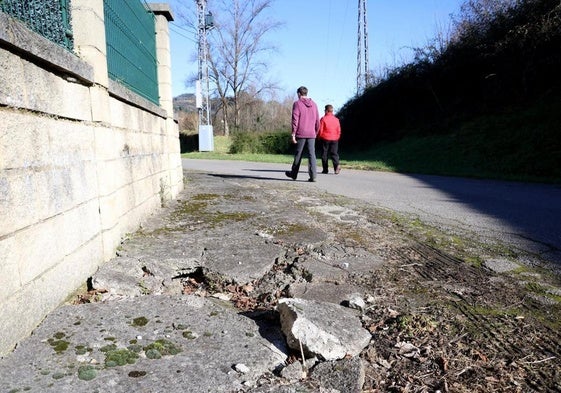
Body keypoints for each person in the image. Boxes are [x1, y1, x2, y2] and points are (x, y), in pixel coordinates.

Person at [285, 86, 320, 182]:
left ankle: (294, 174)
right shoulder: (314, 104)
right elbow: (317, 121)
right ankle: (313, 176)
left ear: (299, 94)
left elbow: (295, 120)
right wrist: (315, 132)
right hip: (312, 133)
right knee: (312, 154)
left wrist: (293, 134)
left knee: (298, 154)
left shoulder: (297, 104)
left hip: (301, 133)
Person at [318, 104, 341, 174]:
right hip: (335, 138)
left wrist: (319, 137)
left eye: (325, 110)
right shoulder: (336, 119)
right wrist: (337, 136)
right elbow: (339, 130)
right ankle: (336, 166)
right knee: (334, 153)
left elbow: (320, 130)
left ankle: (325, 169)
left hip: (325, 138)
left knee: (324, 154)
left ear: (326, 110)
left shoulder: (323, 119)